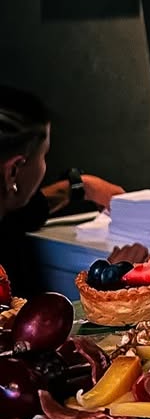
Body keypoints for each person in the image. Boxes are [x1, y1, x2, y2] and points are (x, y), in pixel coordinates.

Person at [0, 86, 126, 290]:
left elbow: (26, 211)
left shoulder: (9, 215)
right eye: (44, 155)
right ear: (13, 170)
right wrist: (109, 278)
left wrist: (82, 186)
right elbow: (34, 311)